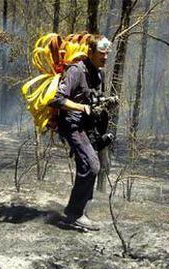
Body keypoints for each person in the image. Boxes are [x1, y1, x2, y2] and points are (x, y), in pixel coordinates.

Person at [49, 34, 112, 231]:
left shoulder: (98, 74)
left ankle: (78, 212)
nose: (105, 57)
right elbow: (56, 100)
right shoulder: (76, 71)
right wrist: (81, 108)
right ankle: (74, 213)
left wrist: (105, 104)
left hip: (87, 126)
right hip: (71, 124)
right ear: (90, 52)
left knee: (91, 165)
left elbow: (93, 100)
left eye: (107, 53)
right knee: (91, 165)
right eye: (101, 53)